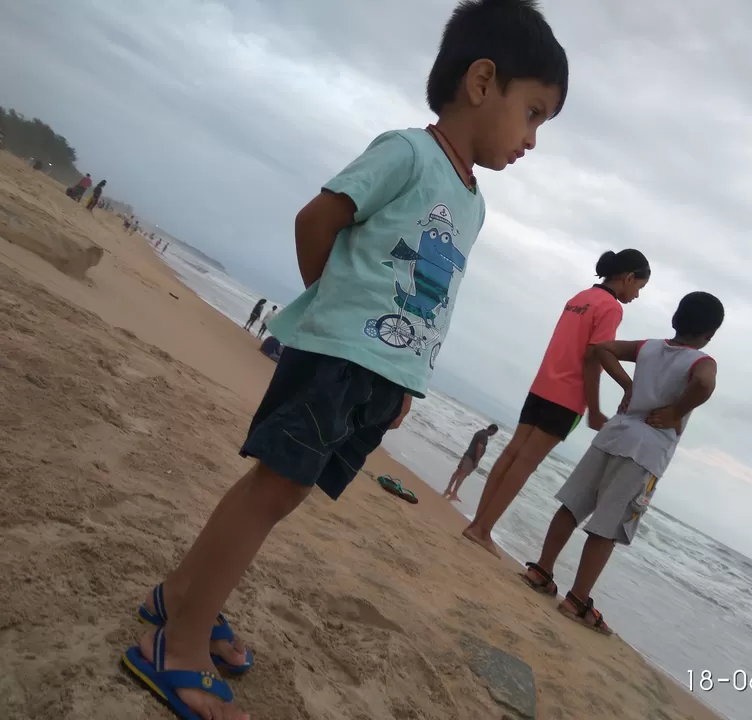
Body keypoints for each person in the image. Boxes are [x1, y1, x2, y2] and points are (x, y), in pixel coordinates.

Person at [120, 2, 569, 717]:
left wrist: (401, 384)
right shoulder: (407, 153)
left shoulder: (473, 203)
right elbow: (317, 221)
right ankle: (174, 643)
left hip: (376, 377)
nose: (534, 139)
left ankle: (181, 598)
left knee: (286, 493)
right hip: (336, 359)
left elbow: (432, 303)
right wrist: (337, 323)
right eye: (535, 112)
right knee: (270, 490)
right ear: (483, 83)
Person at [520, 292, 724, 635]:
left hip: (615, 432)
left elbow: (604, 348)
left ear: (676, 318)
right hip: (647, 449)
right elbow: (704, 383)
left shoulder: (648, 347)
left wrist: (627, 384)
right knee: (609, 526)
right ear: (710, 333)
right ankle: (578, 598)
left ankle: (541, 569)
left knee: (573, 505)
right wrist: (676, 411)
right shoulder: (702, 361)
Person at [463, 249, 650, 556]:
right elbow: (594, 356)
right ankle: (482, 529)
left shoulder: (580, 297)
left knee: (512, 453)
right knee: (525, 463)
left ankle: (477, 524)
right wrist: (594, 408)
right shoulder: (611, 308)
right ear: (628, 277)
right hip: (567, 395)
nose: (637, 295)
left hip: (542, 385)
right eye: (639, 287)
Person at [443, 424, 499, 502]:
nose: (493, 434)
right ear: (492, 430)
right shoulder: (484, 436)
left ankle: (448, 489)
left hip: (468, 455)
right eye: (494, 432)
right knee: (462, 475)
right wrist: (477, 461)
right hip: (471, 458)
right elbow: (479, 447)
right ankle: (454, 493)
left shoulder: (480, 432)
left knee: (458, 472)